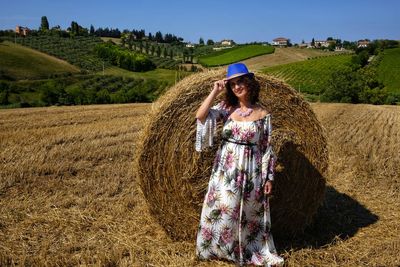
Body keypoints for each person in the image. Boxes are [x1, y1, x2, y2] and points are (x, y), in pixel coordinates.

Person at [195, 63, 284, 266]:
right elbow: (200, 116)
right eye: (232, 84)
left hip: (252, 169)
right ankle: (219, 248)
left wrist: (269, 177)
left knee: (247, 213)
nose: (237, 87)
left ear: (250, 83)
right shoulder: (226, 109)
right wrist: (215, 90)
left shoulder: (263, 114)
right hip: (225, 168)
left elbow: (266, 147)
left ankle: (245, 249)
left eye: (240, 82)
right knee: (224, 208)